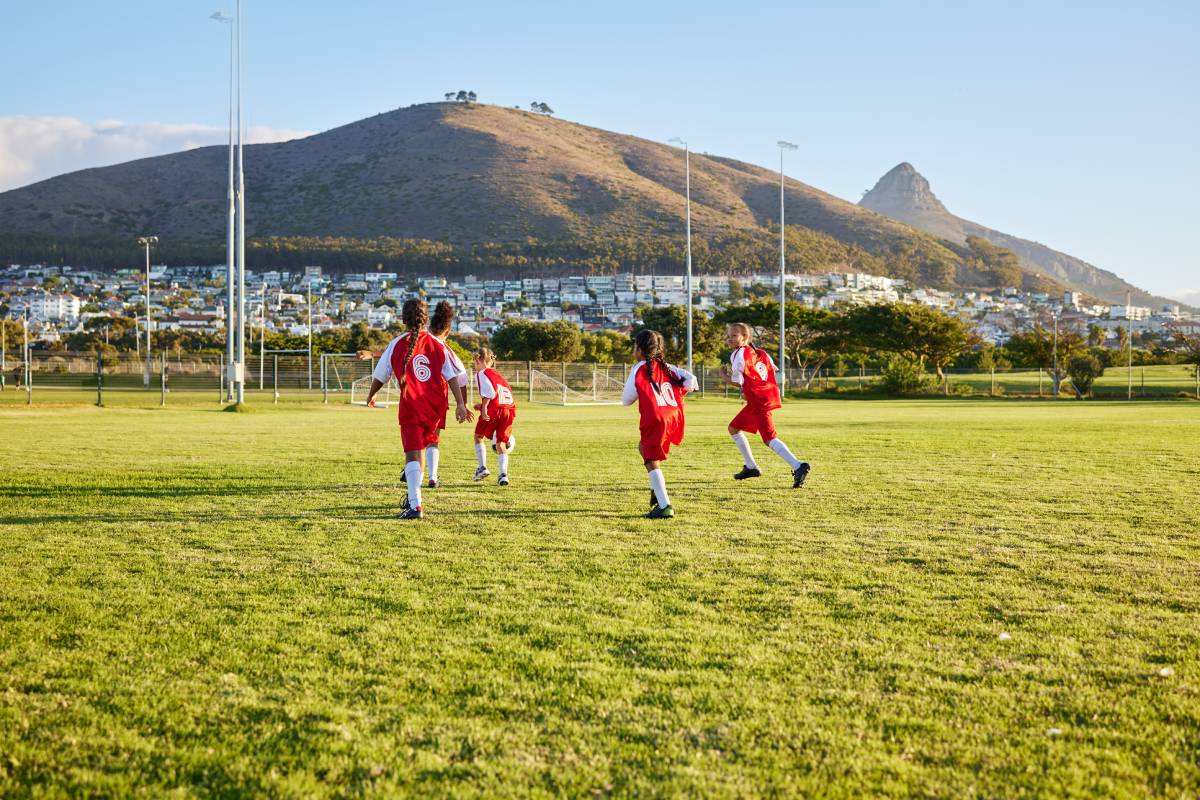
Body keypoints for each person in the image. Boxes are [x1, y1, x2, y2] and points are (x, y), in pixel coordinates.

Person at [364, 299, 473, 519]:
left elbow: (381, 375)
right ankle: (414, 496)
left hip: (412, 405)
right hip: (434, 407)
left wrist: (372, 393)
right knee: (421, 450)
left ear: (403, 319)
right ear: (425, 319)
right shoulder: (437, 344)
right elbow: (452, 376)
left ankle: (416, 506)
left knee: (412, 453)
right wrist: (461, 404)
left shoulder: (397, 344)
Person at [720, 322, 811, 488]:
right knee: (733, 428)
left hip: (759, 401)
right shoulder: (761, 352)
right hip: (763, 397)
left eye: (734, 336)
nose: (729, 339)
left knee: (769, 438)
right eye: (728, 336)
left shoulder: (738, 355)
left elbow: (738, 382)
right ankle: (751, 467)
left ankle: (798, 466)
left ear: (745, 338)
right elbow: (772, 369)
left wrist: (724, 376)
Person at [621, 328, 697, 519]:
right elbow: (692, 381)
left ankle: (664, 506)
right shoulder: (667, 367)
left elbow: (626, 400)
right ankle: (656, 488)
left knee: (650, 459)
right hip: (674, 415)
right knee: (643, 448)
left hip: (656, 418)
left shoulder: (639, 368)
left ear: (639, 350)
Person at [471, 347, 517, 486]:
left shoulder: (481, 373)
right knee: (500, 443)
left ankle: (482, 467)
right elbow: (500, 395)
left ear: (478, 360)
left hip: (493, 410)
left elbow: (489, 393)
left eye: (474, 362)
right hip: (509, 410)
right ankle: (503, 475)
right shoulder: (498, 375)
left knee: (478, 436)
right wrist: (482, 405)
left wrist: (484, 407)